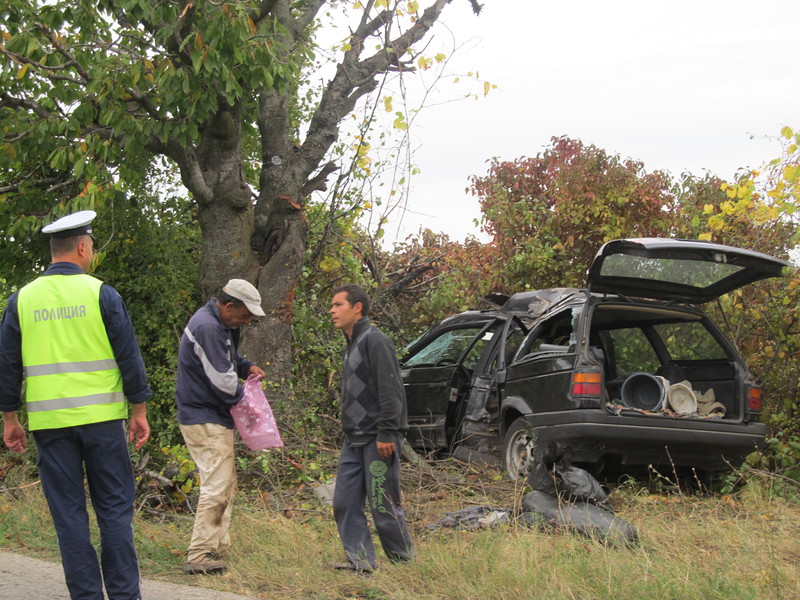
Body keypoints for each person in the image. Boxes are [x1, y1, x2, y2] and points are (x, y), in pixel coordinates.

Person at [0, 210, 152, 600]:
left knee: (69, 517)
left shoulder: (22, 299)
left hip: (50, 425)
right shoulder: (101, 293)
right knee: (115, 512)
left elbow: (7, 366)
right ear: (83, 247)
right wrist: (139, 411)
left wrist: (10, 418)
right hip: (102, 421)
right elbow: (129, 358)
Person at [175, 279, 266, 575]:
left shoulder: (222, 325)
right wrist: (248, 401)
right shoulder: (207, 327)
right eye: (245, 314)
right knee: (216, 485)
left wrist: (246, 365)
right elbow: (223, 383)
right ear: (229, 305)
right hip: (203, 416)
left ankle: (216, 547)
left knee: (226, 484)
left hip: (212, 414)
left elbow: (228, 361)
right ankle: (200, 554)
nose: (248, 320)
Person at [329, 284, 414, 573]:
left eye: (338, 305)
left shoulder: (375, 340)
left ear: (357, 308)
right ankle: (361, 562)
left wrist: (388, 432)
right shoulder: (351, 342)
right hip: (353, 440)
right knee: (344, 502)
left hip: (377, 440)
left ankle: (404, 563)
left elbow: (392, 390)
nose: (332, 310)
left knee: (382, 505)